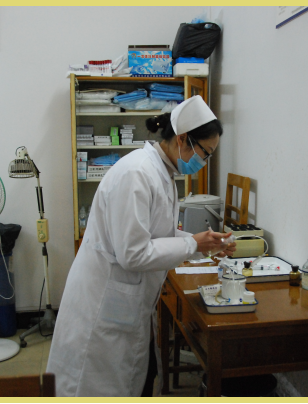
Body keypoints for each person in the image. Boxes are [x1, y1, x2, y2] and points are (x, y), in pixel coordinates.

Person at [46, 95, 235, 397]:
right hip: (103, 304)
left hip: (124, 303)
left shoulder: (162, 172)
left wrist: (204, 244)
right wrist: (191, 245)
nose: (204, 162)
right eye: (205, 153)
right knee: (90, 386)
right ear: (183, 138)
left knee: (130, 380)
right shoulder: (137, 173)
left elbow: (155, 233)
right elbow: (133, 253)